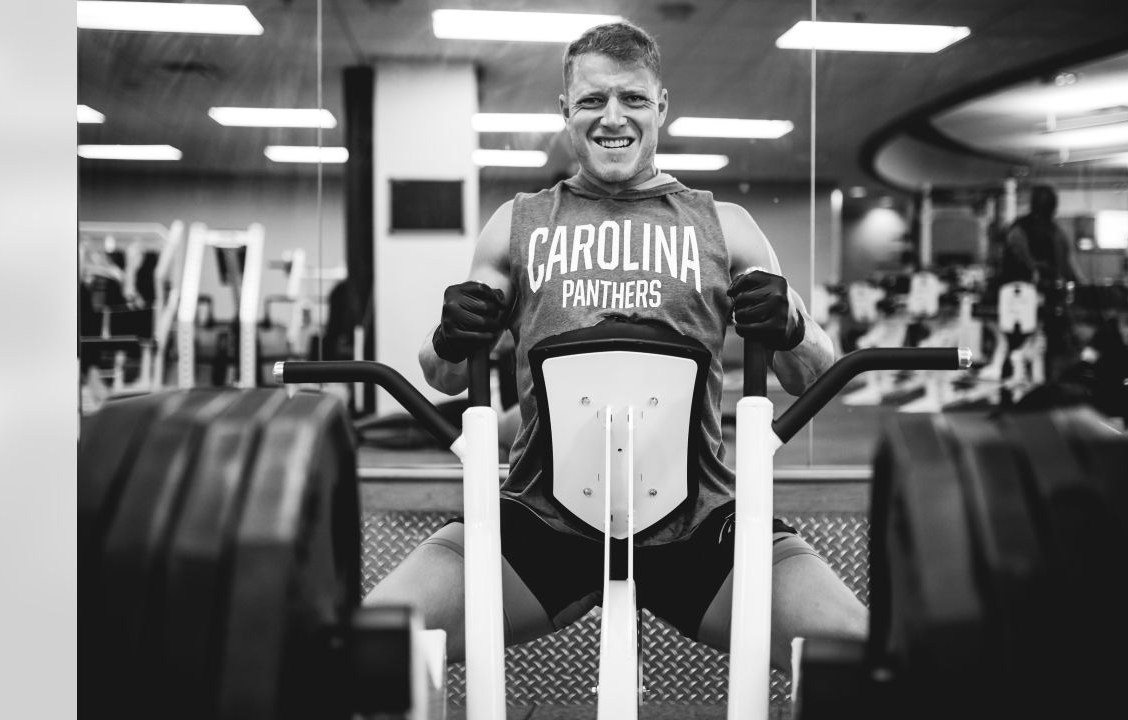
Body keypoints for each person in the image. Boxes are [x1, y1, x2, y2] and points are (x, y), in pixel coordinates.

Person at [364, 21, 865, 674]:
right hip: (538, 528)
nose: (613, 118)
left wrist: (793, 322)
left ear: (661, 107)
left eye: (632, 98)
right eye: (593, 100)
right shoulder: (515, 224)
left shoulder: (726, 227)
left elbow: (815, 373)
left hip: (701, 529)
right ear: (566, 111)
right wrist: (448, 332)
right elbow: (446, 374)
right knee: (372, 642)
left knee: (859, 654)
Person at [1000, 184, 1088, 382]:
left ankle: (1042, 384)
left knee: (1043, 347)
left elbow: (1066, 265)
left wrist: (1081, 285)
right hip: (1022, 299)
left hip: (1043, 299)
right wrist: (1039, 270)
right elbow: (1028, 260)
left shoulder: (1051, 231)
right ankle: (1019, 385)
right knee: (1021, 347)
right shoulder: (1022, 230)